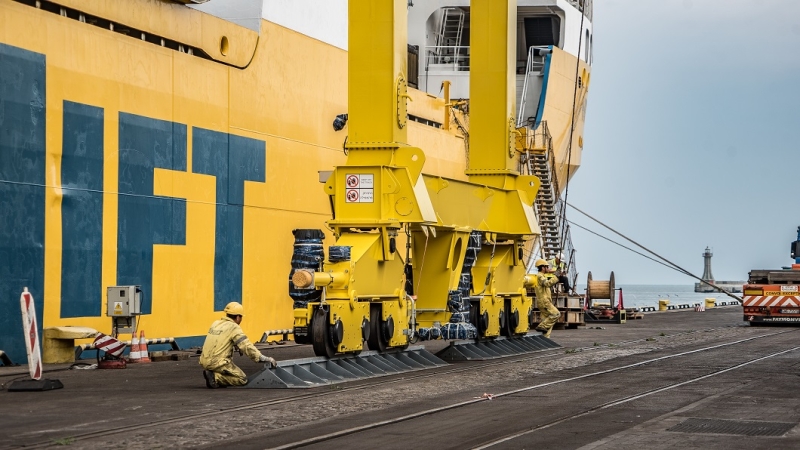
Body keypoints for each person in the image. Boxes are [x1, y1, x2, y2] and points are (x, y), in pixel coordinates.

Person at [200, 302, 276, 388]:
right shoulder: (234, 327)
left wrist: (234, 343)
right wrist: (263, 358)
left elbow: (218, 341)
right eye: (241, 317)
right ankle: (216, 377)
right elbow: (247, 346)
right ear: (238, 317)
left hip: (204, 361)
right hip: (218, 363)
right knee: (242, 379)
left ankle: (212, 374)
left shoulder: (216, 323)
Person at [532, 258, 561, 338]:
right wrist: (555, 277)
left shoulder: (541, 276)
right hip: (544, 302)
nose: (548, 268)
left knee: (548, 321)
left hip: (543, 302)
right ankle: (541, 326)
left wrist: (556, 274)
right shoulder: (540, 276)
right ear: (542, 267)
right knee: (556, 314)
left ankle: (545, 338)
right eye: (546, 267)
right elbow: (547, 284)